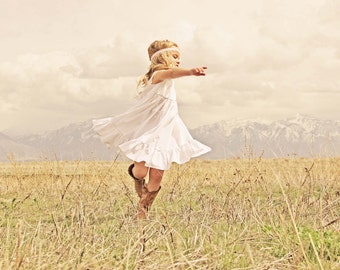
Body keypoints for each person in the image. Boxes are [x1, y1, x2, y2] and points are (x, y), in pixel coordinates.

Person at [92, 40, 211, 219]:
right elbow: (171, 72)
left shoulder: (167, 80)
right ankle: (135, 174)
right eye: (175, 56)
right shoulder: (158, 75)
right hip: (149, 130)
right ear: (162, 57)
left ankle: (143, 210)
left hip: (166, 129)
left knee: (158, 172)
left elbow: (172, 73)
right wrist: (190, 72)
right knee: (142, 171)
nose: (179, 61)